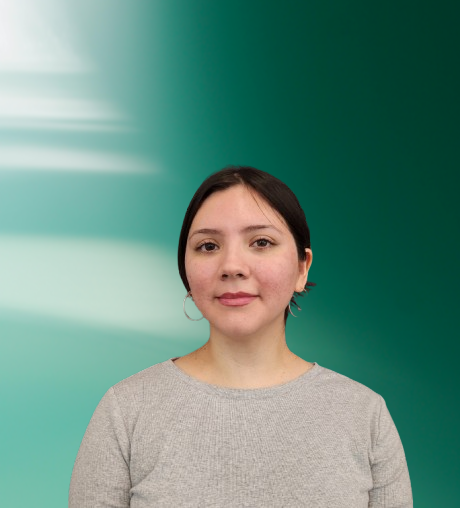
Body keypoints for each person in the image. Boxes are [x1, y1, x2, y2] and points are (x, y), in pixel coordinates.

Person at [69, 166, 413, 507]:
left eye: (261, 242)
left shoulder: (364, 415)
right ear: (186, 271)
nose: (232, 266)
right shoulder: (126, 411)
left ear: (302, 267)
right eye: (208, 246)